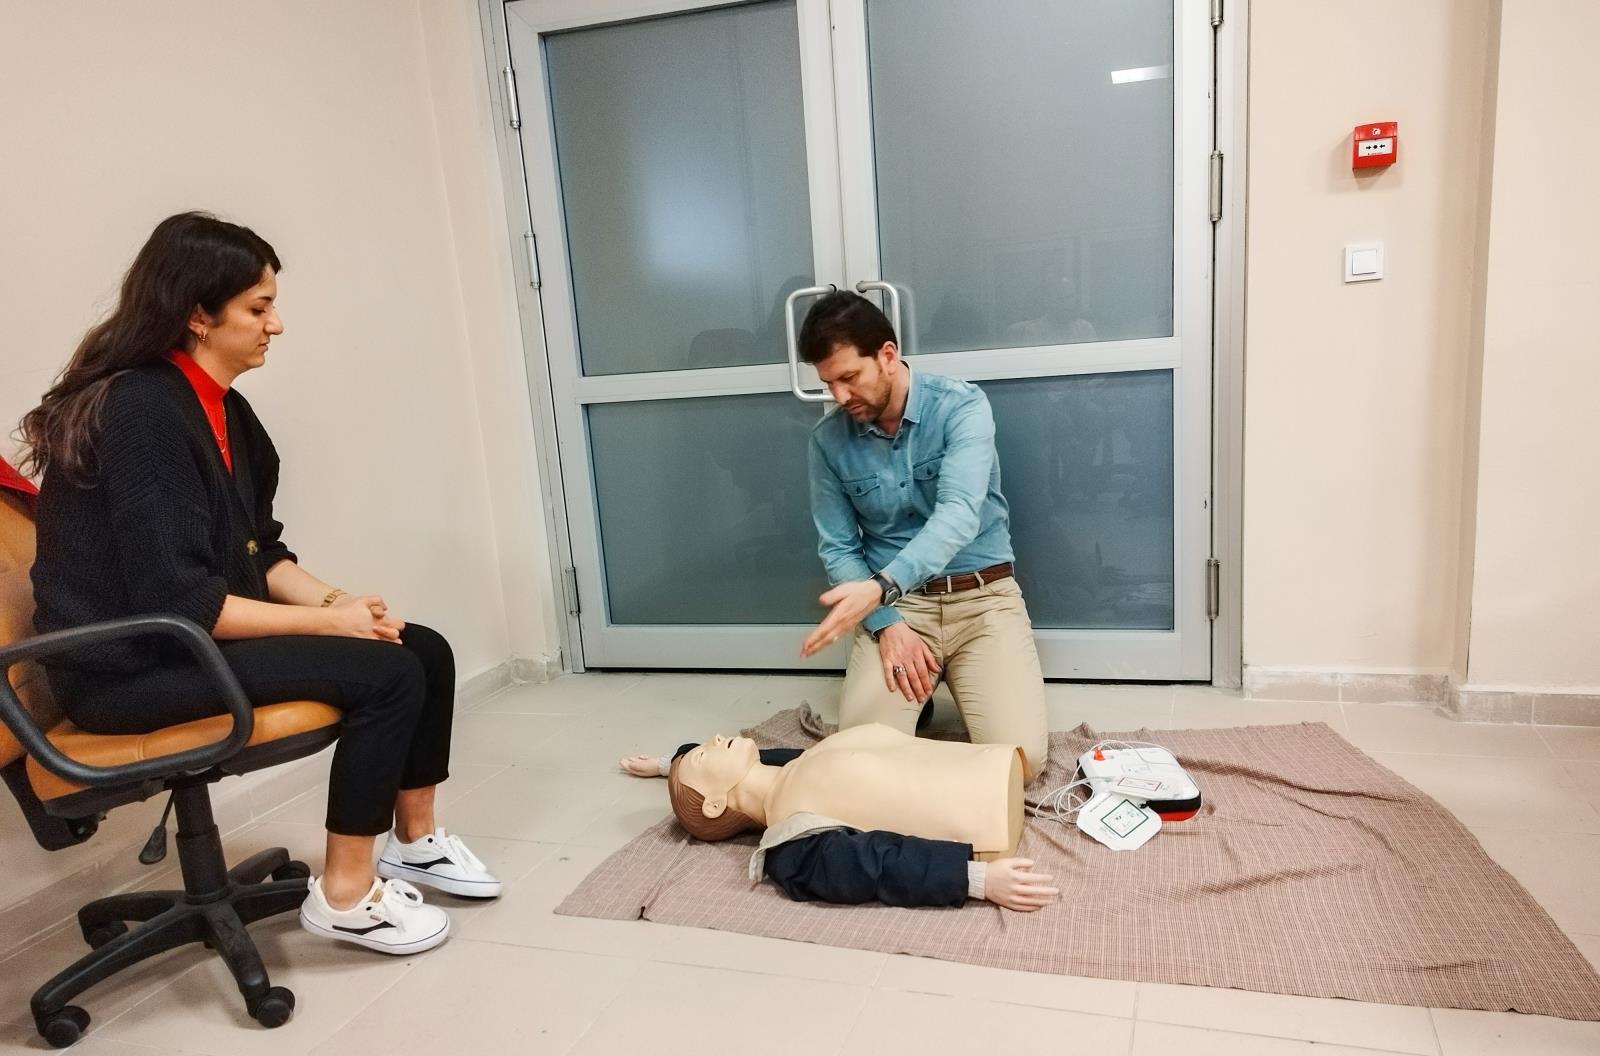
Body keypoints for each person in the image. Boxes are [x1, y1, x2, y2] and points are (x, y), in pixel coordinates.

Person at [17, 212, 498, 956]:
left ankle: (414, 843)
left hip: (182, 644)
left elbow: (261, 553)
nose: (277, 324)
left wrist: (341, 605)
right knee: (389, 675)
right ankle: (347, 896)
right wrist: (328, 626)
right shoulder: (141, 410)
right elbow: (182, 603)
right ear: (197, 315)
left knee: (420, 646)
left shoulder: (226, 411)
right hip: (127, 670)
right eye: (258, 307)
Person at [797, 291, 1049, 779]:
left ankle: (946, 680)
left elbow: (958, 513)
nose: (839, 397)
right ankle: (920, 691)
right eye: (829, 383)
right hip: (900, 612)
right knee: (858, 763)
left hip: (983, 600)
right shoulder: (826, 441)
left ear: (887, 356)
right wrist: (886, 622)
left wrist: (878, 589)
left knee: (1022, 764)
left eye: (850, 377)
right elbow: (839, 548)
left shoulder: (962, 406)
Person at [658, 727, 1057, 911]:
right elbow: (874, 865)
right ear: (714, 805)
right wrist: (975, 880)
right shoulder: (791, 843)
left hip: (995, 766)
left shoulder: (791, 766)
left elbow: (753, 761)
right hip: (987, 821)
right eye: (703, 755)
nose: (714, 739)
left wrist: (668, 764)